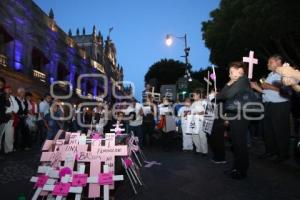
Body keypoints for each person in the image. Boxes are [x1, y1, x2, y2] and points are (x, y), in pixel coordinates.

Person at [251, 55, 290, 163]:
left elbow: (287, 90)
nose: (267, 64)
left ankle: (282, 154)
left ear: (278, 62)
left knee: (280, 131)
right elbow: (266, 91)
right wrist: (256, 87)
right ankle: (270, 151)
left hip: (280, 105)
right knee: (268, 130)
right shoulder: (270, 74)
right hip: (268, 105)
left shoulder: (285, 73)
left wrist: (268, 86)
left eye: (270, 62)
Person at [216, 61, 250, 179]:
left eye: (233, 72)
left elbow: (227, 94)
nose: (232, 75)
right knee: (236, 144)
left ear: (241, 71)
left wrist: (231, 83)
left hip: (241, 116)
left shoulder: (243, 80)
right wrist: (230, 82)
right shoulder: (235, 82)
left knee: (240, 144)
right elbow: (219, 96)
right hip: (235, 115)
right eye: (230, 72)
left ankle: (241, 170)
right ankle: (236, 168)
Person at [0, 85, 18, 154]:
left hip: (11, 118)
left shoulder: (12, 97)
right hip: (3, 118)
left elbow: (16, 107)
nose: (9, 90)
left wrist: (13, 112)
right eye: (7, 89)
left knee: (10, 135)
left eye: (10, 89)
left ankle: (9, 150)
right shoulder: (2, 96)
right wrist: (9, 112)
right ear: (4, 90)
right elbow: (3, 107)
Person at [190, 89, 207, 155]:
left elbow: (205, 111)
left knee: (202, 136)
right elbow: (191, 111)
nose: (193, 96)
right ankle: (198, 149)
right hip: (193, 121)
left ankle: (204, 151)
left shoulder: (204, 102)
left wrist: (197, 113)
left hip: (201, 121)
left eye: (194, 95)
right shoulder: (193, 103)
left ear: (198, 95)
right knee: (194, 135)